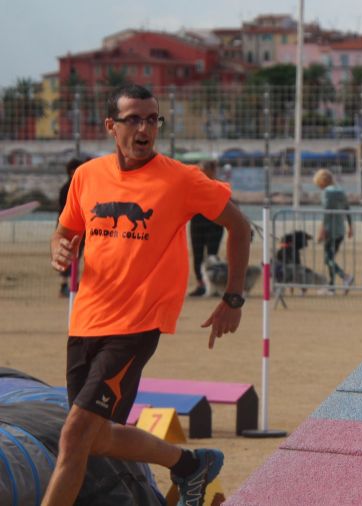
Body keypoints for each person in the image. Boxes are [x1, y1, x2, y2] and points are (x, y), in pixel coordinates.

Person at [47, 84, 252, 506]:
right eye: (134, 119)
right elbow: (66, 230)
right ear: (111, 126)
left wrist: (233, 298)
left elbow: (240, 226)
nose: (146, 128)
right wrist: (59, 248)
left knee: (74, 435)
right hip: (86, 321)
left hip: (138, 323)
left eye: (152, 119)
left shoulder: (181, 179)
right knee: (97, 438)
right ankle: (191, 465)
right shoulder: (86, 176)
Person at [188, 160, 225, 297]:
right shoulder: (194, 185)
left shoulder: (218, 185)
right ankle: (201, 284)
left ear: (212, 171)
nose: (200, 173)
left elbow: (228, 205)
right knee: (197, 255)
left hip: (215, 224)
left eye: (203, 170)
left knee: (212, 255)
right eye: (199, 170)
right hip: (197, 223)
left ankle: (214, 284)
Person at [313, 169, 354, 291]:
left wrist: (322, 230)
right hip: (340, 230)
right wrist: (351, 226)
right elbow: (347, 209)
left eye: (318, 184)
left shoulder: (327, 193)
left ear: (322, 182)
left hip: (330, 230)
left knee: (328, 259)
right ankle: (331, 286)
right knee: (330, 258)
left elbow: (326, 213)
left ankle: (345, 277)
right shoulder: (341, 191)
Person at [56, 157, 88, 297]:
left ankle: (73, 283)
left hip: (82, 228)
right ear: (70, 171)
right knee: (66, 256)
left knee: (78, 256)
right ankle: (64, 284)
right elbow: (65, 209)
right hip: (68, 227)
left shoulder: (81, 185)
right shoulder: (67, 188)